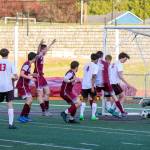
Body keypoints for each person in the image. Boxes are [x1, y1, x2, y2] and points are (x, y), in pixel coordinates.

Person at [95, 51, 127, 117]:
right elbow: (110, 74)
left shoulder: (94, 64)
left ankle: (98, 111)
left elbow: (93, 74)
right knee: (116, 96)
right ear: (102, 56)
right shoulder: (106, 64)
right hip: (107, 83)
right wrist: (127, 84)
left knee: (98, 97)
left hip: (98, 83)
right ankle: (118, 110)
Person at [33, 39, 56, 116]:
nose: (46, 50)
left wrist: (51, 44)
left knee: (48, 92)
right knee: (40, 95)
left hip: (41, 76)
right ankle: (44, 111)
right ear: (42, 49)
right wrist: (39, 44)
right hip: (37, 76)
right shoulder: (38, 56)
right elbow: (38, 52)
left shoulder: (42, 55)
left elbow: (46, 50)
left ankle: (46, 109)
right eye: (45, 49)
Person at [0, 48, 18, 129]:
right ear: (8, 54)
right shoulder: (10, 63)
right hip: (8, 86)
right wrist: (13, 79)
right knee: (10, 104)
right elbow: (16, 76)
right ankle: (10, 124)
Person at [17, 52, 37, 123]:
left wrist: (32, 74)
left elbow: (26, 73)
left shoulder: (28, 64)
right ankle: (21, 116)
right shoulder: (27, 64)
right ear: (33, 58)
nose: (36, 59)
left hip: (25, 85)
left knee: (30, 100)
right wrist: (31, 78)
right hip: (22, 85)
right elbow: (21, 74)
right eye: (35, 58)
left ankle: (25, 116)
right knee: (29, 100)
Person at [79, 53, 99, 121]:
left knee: (84, 100)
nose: (98, 61)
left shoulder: (86, 64)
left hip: (84, 85)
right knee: (95, 99)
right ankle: (93, 116)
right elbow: (93, 77)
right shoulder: (95, 66)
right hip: (90, 85)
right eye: (97, 59)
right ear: (96, 59)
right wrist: (92, 86)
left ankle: (81, 115)